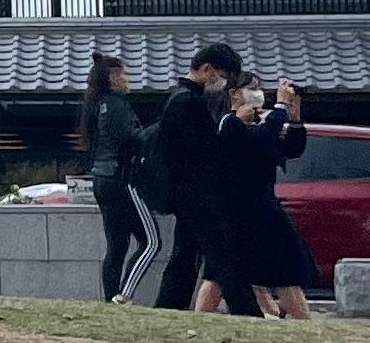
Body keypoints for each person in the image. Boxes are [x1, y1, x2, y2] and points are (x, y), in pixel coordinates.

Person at [200, 77, 313, 319]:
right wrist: (280, 108)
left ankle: (301, 321)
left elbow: (290, 149)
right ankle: (200, 318)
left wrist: (294, 118)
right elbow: (257, 140)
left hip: (263, 210)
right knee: (220, 273)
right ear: (234, 94)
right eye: (252, 88)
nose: (258, 93)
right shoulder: (227, 124)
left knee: (283, 269)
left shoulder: (258, 125)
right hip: (234, 213)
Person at [144, 41, 240, 309]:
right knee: (222, 258)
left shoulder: (180, 97)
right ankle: (247, 310)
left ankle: (169, 307)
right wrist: (233, 125)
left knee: (185, 257)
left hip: (186, 193)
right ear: (207, 69)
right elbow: (205, 150)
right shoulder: (189, 102)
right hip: (197, 193)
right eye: (222, 75)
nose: (222, 83)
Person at [77, 47, 150, 305]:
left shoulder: (98, 106)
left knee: (116, 245)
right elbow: (131, 138)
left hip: (102, 177)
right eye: (123, 74)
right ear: (113, 77)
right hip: (120, 178)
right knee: (150, 242)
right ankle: (123, 294)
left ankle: (111, 297)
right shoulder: (116, 105)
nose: (126, 79)